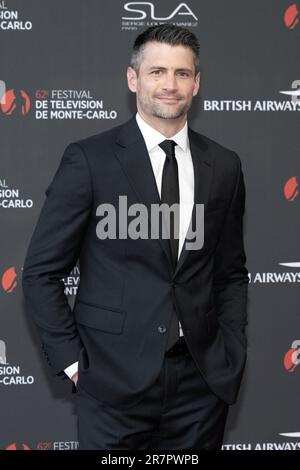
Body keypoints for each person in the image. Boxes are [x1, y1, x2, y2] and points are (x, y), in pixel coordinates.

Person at [22, 24, 248, 450]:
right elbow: (40, 273)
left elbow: (230, 272)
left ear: (197, 84)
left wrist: (231, 349)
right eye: (157, 71)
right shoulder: (90, 160)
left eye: (182, 73)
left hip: (200, 388)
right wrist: (74, 363)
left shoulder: (224, 165)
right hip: (111, 386)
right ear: (133, 79)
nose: (169, 84)